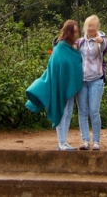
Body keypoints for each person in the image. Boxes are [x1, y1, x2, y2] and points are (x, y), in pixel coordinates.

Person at [25, 19, 83, 151]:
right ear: (69, 32)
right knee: (62, 112)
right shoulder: (61, 46)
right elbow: (56, 65)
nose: (75, 34)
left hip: (68, 84)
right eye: (73, 32)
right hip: (60, 85)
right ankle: (61, 142)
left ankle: (64, 141)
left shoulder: (70, 47)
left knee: (68, 113)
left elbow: (73, 62)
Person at [75, 15, 107, 151]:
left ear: (97, 27)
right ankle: (85, 140)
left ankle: (96, 141)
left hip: (96, 79)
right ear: (86, 27)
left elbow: (105, 47)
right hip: (81, 81)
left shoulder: (101, 40)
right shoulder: (80, 42)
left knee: (94, 111)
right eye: (89, 26)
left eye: (93, 26)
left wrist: (101, 41)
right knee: (82, 112)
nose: (91, 28)